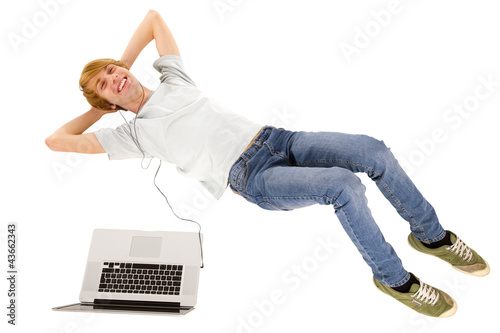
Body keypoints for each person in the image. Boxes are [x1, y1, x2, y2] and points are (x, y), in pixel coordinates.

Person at [45, 10, 489, 318]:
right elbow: (56, 141)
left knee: (372, 150)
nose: (116, 78)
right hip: (251, 175)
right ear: (106, 100)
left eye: (113, 70)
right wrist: (97, 110)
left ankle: (431, 237)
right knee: (343, 185)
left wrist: (120, 61)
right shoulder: (132, 135)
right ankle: (395, 281)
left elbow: (153, 18)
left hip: (278, 139)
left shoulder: (173, 78)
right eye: (105, 84)